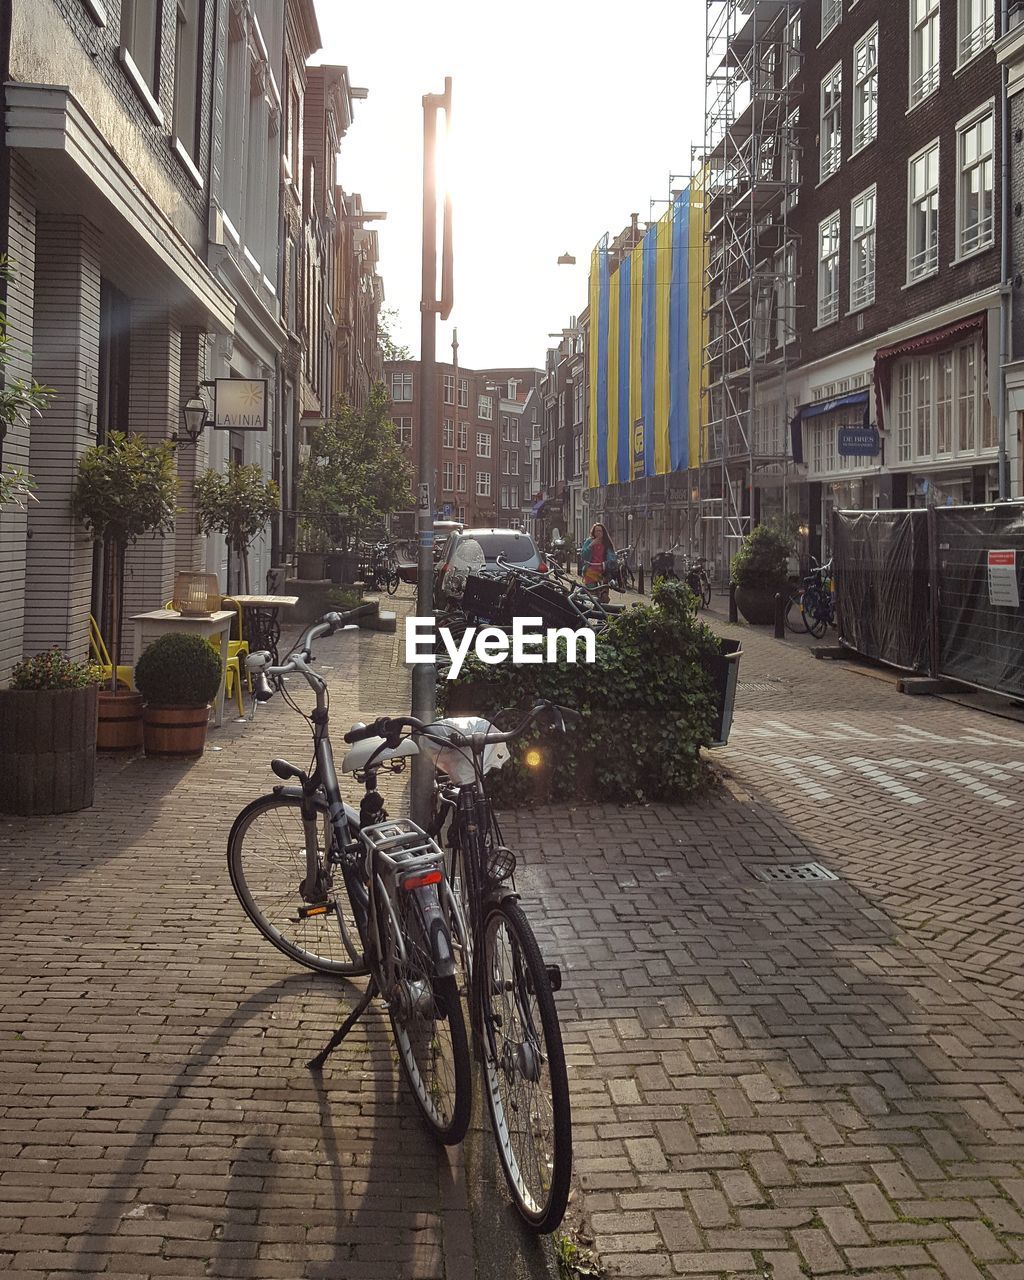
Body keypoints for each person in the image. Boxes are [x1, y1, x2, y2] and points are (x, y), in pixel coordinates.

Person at [580, 522, 617, 603]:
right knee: (592, 594)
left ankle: (603, 605)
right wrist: (591, 545)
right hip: (591, 570)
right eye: (596, 531)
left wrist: (607, 564)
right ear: (593, 532)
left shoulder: (606, 543)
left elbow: (611, 557)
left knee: (604, 595)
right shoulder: (589, 541)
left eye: (600, 531)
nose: (598, 533)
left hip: (603, 571)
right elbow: (583, 555)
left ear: (603, 533)